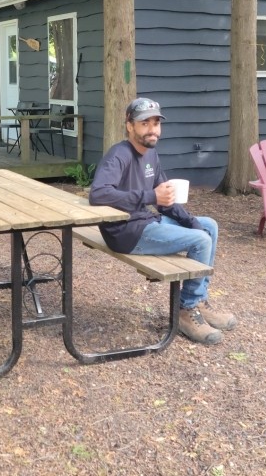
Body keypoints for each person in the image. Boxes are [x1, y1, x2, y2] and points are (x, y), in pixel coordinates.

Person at [89, 97, 237, 345]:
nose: (152, 129)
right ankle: (186, 311)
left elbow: (164, 200)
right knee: (201, 240)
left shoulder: (151, 156)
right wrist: (149, 196)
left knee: (208, 226)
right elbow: (98, 194)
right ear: (129, 125)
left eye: (156, 123)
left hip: (147, 222)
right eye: (145, 123)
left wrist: (190, 221)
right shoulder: (119, 155)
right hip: (125, 232)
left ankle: (198, 299)